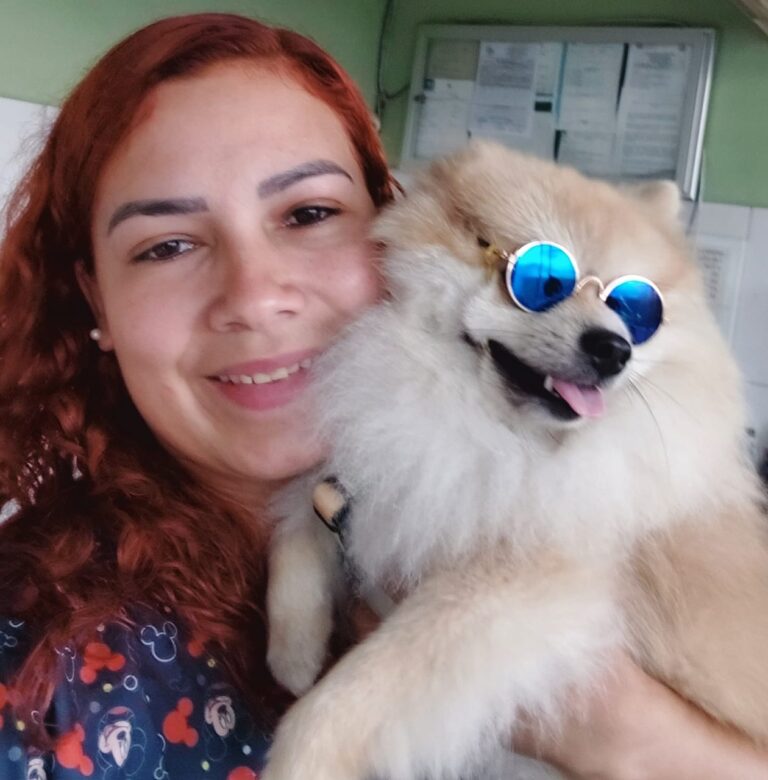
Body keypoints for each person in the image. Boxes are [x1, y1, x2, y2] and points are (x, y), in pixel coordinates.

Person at [0, 12, 765, 780]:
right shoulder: (37, 679)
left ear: (388, 220)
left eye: (309, 214)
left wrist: (631, 736)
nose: (256, 297)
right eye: (167, 245)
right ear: (96, 301)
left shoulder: (564, 500)